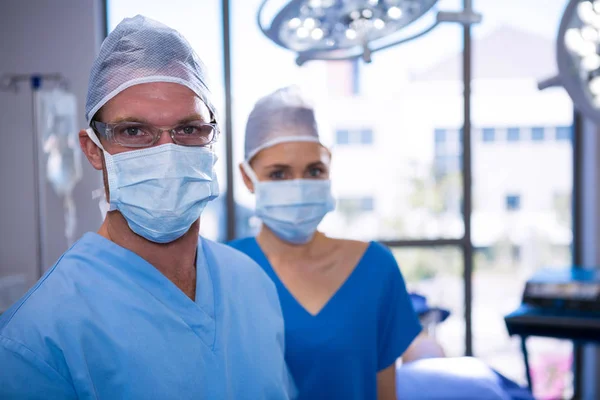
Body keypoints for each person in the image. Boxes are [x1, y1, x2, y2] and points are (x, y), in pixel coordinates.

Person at [0, 15, 292, 399]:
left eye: (188, 129)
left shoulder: (251, 283)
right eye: (133, 131)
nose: (167, 152)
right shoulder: (36, 336)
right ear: (93, 150)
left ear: (211, 140)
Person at [229, 86, 423, 400]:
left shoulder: (375, 268)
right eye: (278, 174)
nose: (299, 187)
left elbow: (385, 391)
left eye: (314, 171)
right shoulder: (224, 269)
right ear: (248, 178)